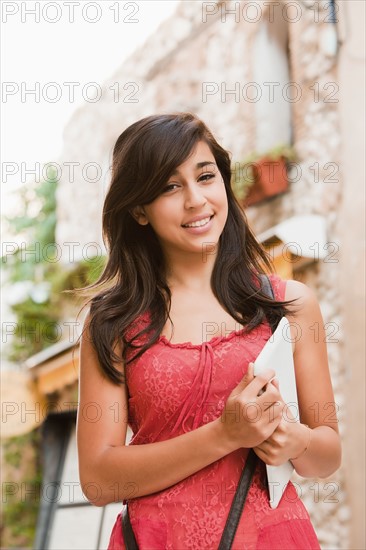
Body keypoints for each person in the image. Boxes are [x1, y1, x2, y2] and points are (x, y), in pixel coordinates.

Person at [76, 113, 341, 549]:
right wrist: (225, 434)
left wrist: (296, 441)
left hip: (273, 538)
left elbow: (327, 454)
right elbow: (99, 480)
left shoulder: (288, 305)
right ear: (139, 209)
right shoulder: (112, 324)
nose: (196, 200)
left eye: (205, 176)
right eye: (169, 187)